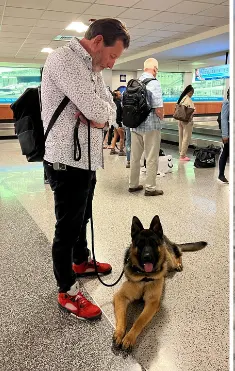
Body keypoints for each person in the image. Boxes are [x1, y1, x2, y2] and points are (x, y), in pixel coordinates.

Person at [43, 18, 129, 320]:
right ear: (97, 42)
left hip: (87, 160)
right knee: (67, 226)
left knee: (83, 216)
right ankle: (66, 289)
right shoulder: (64, 60)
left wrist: (101, 116)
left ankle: (80, 261)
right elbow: (96, 109)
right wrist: (99, 114)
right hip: (66, 160)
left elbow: (110, 108)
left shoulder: (92, 67)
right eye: (112, 55)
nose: (111, 62)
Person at [127, 58, 164, 196]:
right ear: (154, 69)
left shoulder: (135, 82)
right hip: (150, 126)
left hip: (135, 126)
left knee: (135, 157)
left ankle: (133, 184)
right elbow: (158, 109)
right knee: (151, 157)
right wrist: (162, 118)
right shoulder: (154, 83)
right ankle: (150, 188)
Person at [175, 85, 196, 161]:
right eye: (192, 93)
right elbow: (191, 111)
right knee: (186, 137)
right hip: (187, 121)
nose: (192, 95)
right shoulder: (188, 100)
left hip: (180, 120)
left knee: (181, 137)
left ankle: (181, 152)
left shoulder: (182, 98)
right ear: (190, 92)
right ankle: (183, 155)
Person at [218, 88, 230, 184]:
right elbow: (224, 119)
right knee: (226, 152)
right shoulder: (227, 103)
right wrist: (225, 135)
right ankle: (221, 174)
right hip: (229, 132)